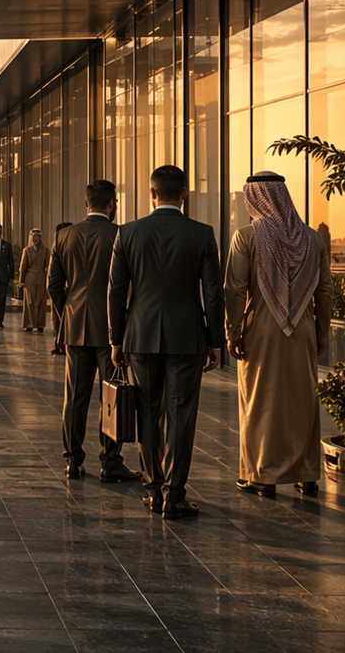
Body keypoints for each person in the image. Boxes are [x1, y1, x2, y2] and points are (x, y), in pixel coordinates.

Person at [109, 165, 224, 520]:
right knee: (181, 416)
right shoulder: (202, 234)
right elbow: (213, 294)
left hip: (140, 336)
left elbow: (115, 291)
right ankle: (174, 494)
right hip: (187, 337)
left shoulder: (128, 233)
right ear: (185, 194)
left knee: (148, 412)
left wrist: (116, 339)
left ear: (151, 193)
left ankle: (153, 489)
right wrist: (215, 341)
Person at [226, 172, 333, 498]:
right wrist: (320, 331)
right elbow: (325, 291)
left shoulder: (246, 237)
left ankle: (261, 476)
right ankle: (306, 475)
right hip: (302, 331)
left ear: (255, 198)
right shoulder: (313, 239)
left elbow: (234, 289)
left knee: (261, 402)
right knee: (302, 400)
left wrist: (232, 332)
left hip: (260, 331)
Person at [49, 181, 139, 483]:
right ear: (111, 204)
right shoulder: (120, 234)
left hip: (75, 330)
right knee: (111, 396)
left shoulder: (64, 236)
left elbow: (54, 286)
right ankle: (110, 462)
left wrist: (68, 315)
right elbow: (130, 287)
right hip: (111, 333)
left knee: (74, 398)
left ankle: (73, 462)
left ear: (86, 204)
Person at [20, 229, 51, 332]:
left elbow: (23, 266)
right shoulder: (30, 250)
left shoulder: (42, 251)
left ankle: (35, 324)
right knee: (34, 302)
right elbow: (24, 267)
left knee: (35, 302)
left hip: (35, 278)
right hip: (36, 278)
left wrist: (21, 280)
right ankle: (34, 324)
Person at [51, 221, 74, 355]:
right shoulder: (57, 247)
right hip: (60, 293)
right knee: (57, 321)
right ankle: (59, 343)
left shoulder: (70, 248)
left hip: (67, 293)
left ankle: (62, 344)